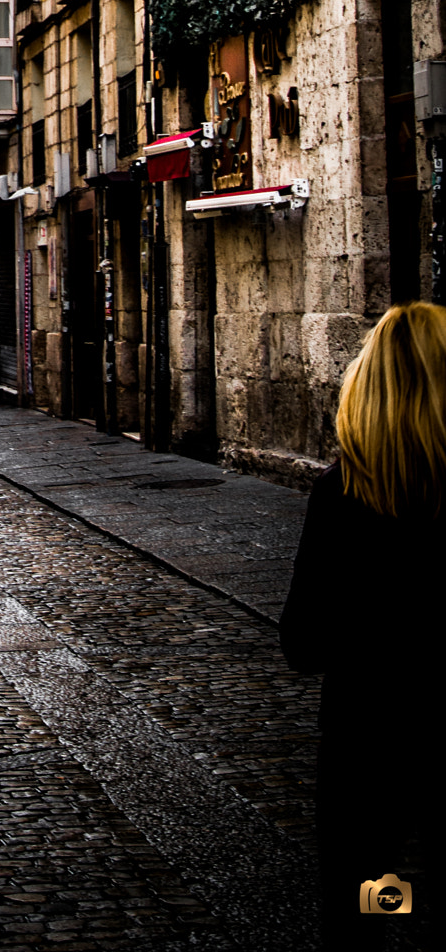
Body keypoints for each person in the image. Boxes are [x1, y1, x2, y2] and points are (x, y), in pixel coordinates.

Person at [278, 303, 446, 946]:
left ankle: (390, 928)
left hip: (370, 739)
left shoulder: (344, 493)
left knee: (372, 881)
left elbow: (304, 640)